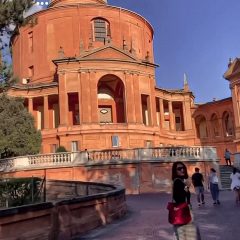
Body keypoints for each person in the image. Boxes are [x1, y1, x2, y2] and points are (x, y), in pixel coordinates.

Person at [171, 161, 201, 240]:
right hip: (183, 212)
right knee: (190, 235)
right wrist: (187, 186)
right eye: (179, 169)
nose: (182, 170)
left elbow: (184, 194)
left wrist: (186, 187)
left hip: (183, 211)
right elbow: (180, 198)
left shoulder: (180, 181)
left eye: (183, 168)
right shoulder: (178, 182)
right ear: (175, 171)